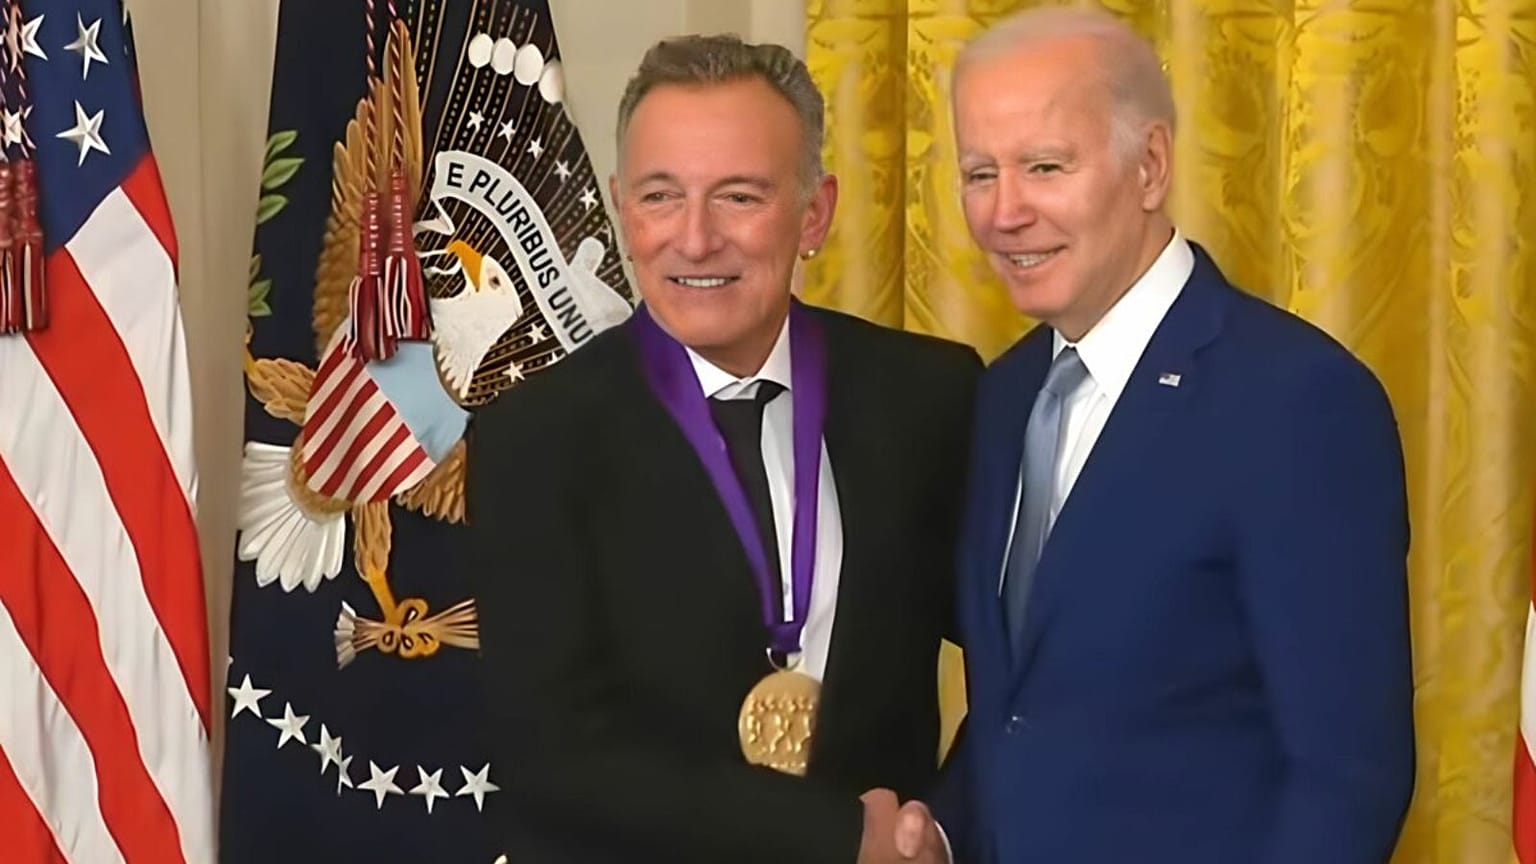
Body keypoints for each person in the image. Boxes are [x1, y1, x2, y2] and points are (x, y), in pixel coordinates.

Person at [901, 7, 1415, 863]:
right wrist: (943, 834)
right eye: (979, 172)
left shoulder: (1297, 401)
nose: (1004, 212)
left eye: (1044, 167)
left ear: (1149, 166)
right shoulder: (1004, 394)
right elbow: (1022, 711)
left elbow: (1346, 778)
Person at [467, 34, 977, 863]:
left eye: (739, 197)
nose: (695, 240)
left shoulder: (927, 397)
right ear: (620, 206)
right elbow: (557, 757)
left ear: (815, 213)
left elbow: (1026, 665)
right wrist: (841, 838)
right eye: (662, 196)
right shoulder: (537, 434)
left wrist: (940, 831)